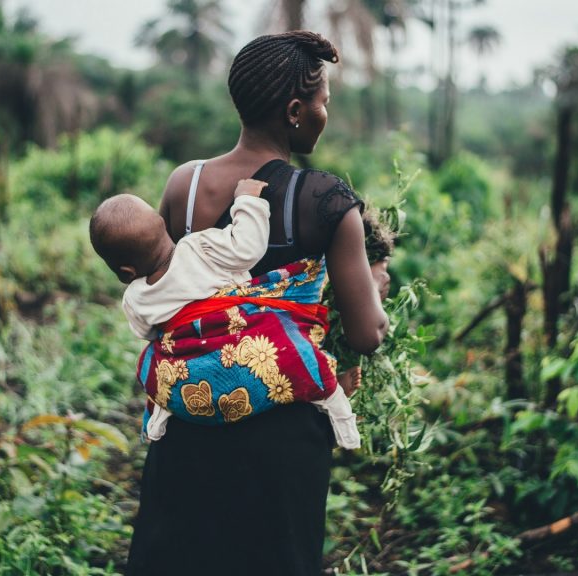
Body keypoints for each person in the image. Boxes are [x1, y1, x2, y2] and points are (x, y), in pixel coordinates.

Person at [125, 30, 389, 576]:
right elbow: (366, 335)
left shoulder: (185, 186)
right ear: (295, 110)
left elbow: (170, 289)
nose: (324, 114)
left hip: (189, 421)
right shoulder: (326, 200)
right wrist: (375, 292)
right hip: (281, 445)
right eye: (322, 103)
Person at [88, 181, 361, 449]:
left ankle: (159, 417)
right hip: (243, 349)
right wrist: (247, 200)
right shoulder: (198, 247)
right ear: (162, 224)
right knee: (294, 352)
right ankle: (337, 405)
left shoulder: (135, 297)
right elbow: (247, 248)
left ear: (125, 272)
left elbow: (148, 333)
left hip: (192, 380)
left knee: (153, 362)